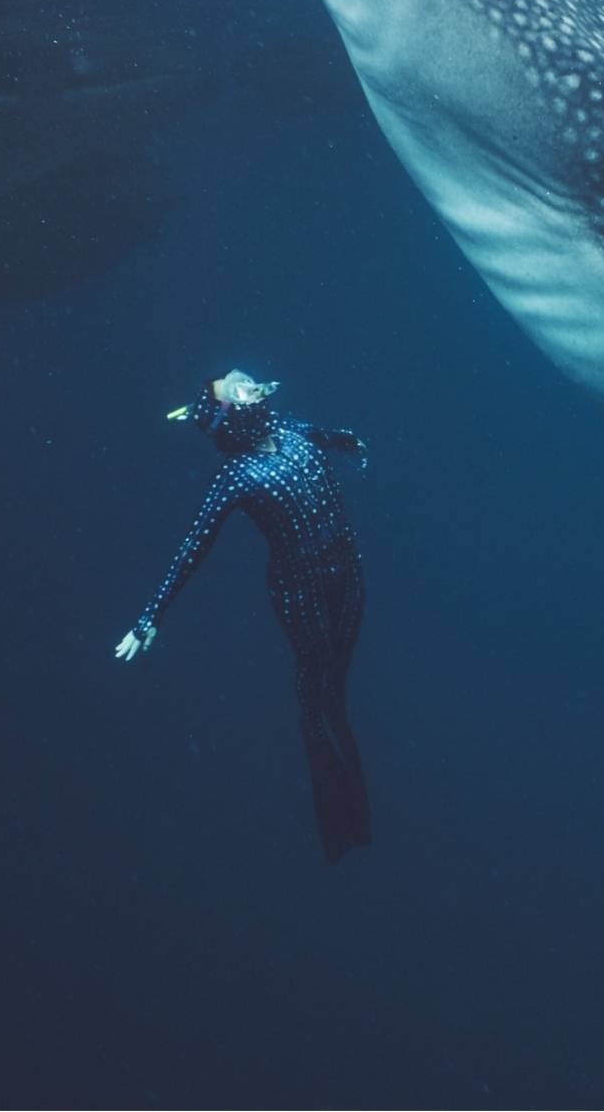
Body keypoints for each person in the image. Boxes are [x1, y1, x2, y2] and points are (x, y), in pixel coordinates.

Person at [117, 369, 372, 862]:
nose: (248, 385)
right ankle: (340, 823)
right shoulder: (235, 478)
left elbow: (320, 434)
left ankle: (349, 814)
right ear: (229, 419)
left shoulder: (290, 430)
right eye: (236, 390)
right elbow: (194, 545)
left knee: (334, 690)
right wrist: (150, 618)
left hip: (348, 578)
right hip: (303, 593)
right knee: (317, 695)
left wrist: (345, 440)